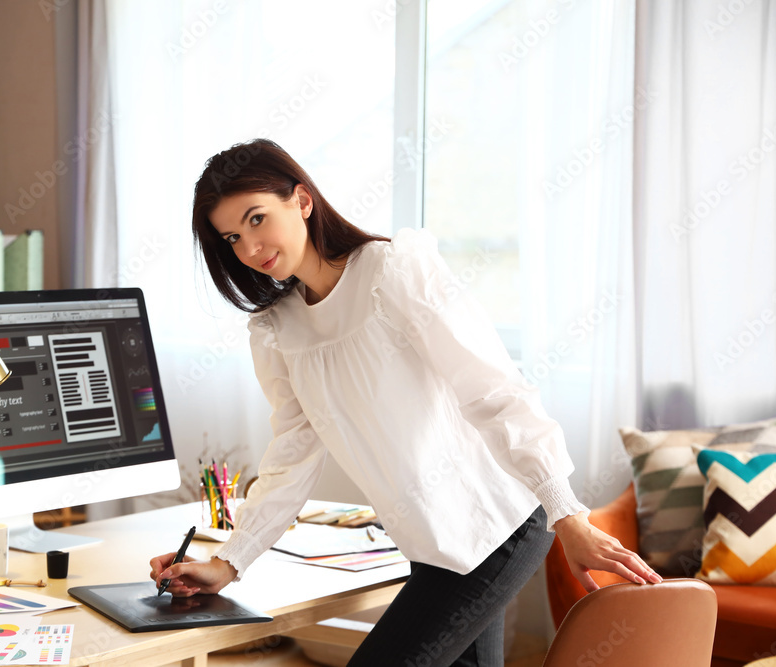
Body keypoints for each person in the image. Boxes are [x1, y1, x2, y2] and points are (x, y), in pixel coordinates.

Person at [150, 138, 661, 666]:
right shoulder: (278, 331)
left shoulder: (393, 272)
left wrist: (567, 514)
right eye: (233, 236)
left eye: (257, 219)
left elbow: (492, 390)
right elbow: (292, 457)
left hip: (499, 523)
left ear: (302, 200)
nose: (250, 247)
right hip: (431, 546)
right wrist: (229, 562)